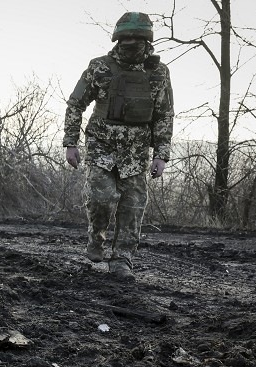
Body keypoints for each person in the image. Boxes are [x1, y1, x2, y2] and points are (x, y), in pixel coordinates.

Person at [62, 12, 174, 278]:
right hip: (101, 146)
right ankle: (96, 238)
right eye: (125, 37)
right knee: (101, 199)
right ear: (117, 38)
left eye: (136, 37)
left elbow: (164, 115)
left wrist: (161, 155)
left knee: (133, 206)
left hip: (136, 152)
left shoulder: (158, 72)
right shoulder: (99, 67)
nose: (130, 42)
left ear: (147, 40)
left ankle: (122, 259)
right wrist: (71, 142)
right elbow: (76, 104)